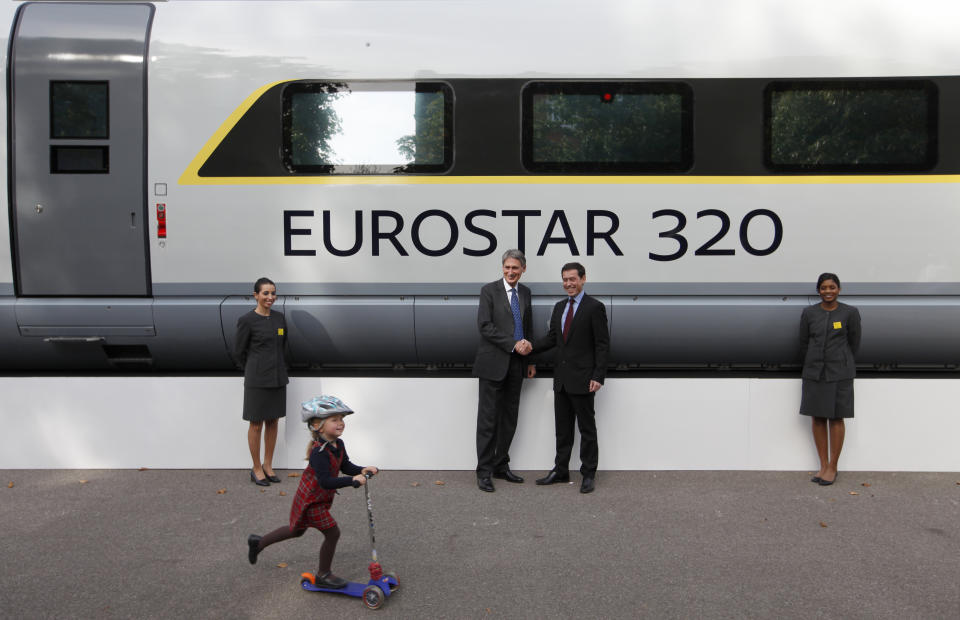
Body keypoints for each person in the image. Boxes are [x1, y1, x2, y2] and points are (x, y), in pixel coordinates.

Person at [247, 395, 378, 588]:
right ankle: (323, 575)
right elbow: (325, 482)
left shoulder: (338, 444)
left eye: (341, 419)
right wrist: (352, 481)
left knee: (296, 531)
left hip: (318, 498)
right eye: (335, 420)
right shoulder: (319, 453)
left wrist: (361, 470)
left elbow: (346, 465)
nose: (341, 423)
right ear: (318, 425)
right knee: (333, 533)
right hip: (311, 501)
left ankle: (258, 543)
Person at [532, 262, 609, 494]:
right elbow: (552, 339)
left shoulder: (595, 307)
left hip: (585, 379)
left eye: (572, 279)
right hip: (562, 380)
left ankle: (588, 474)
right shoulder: (559, 307)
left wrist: (598, 375)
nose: (568, 284)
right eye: (565, 280)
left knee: (587, 429)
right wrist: (529, 347)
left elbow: (602, 345)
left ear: (583, 279)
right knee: (562, 430)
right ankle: (561, 470)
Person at [472, 249, 535, 493]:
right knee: (488, 421)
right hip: (493, 364)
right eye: (507, 267)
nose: (511, 272)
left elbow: (527, 325)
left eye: (515, 268)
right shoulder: (489, 291)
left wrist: (530, 361)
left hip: (518, 366)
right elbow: (484, 326)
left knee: (509, 419)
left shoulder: (526, 292)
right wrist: (512, 344)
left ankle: (501, 464)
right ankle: (484, 471)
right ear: (503, 268)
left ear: (523, 269)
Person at [799, 272, 861, 486]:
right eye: (824, 288)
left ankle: (833, 466)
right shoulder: (809, 313)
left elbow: (854, 342)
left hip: (840, 373)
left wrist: (840, 360)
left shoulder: (850, 313)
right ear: (818, 290)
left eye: (832, 287)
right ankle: (822, 464)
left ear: (839, 289)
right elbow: (804, 342)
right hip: (814, 372)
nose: (828, 291)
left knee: (836, 418)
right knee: (817, 417)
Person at [235, 277, 289, 486]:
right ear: (256, 295)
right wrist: (253, 370)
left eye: (273, 293)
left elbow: (284, 345)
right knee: (256, 424)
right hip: (257, 379)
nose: (270, 297)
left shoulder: (279, 319)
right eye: (265, 293)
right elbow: (238, 352)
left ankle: (268, 465)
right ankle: (256, 468)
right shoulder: (247, 320)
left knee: (273, 421)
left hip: (277, 377)